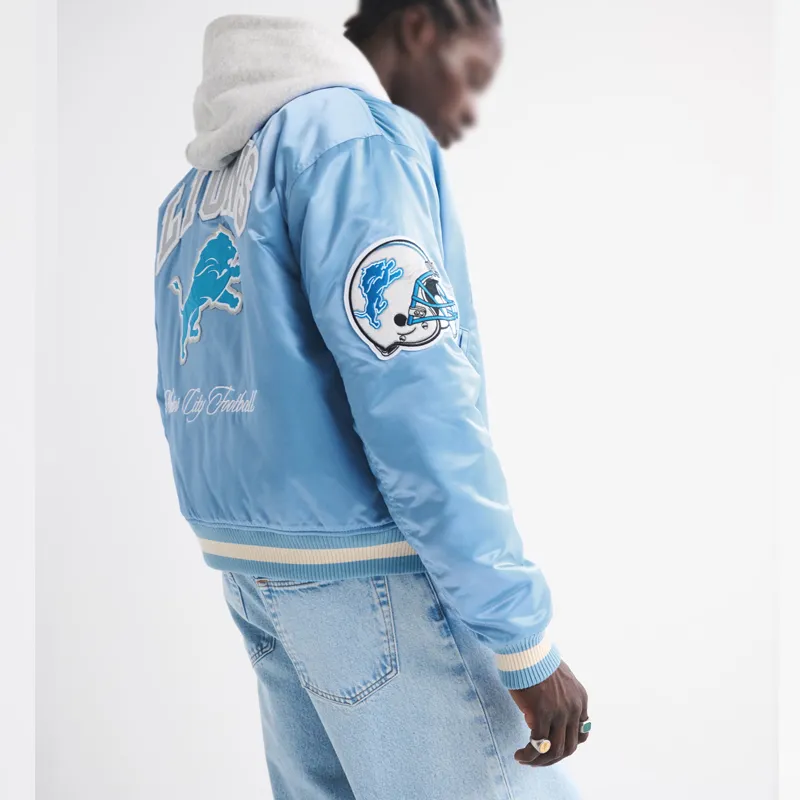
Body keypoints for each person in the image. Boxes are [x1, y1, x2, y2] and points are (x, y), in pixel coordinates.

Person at [153, 2, 590, 797]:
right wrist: (521, 638)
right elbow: (418, 401)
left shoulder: (202, 187)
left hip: (259, 577)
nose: (468, 109)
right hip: (377, 580)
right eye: (471, 75)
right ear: (420, 27)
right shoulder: (351, 140)